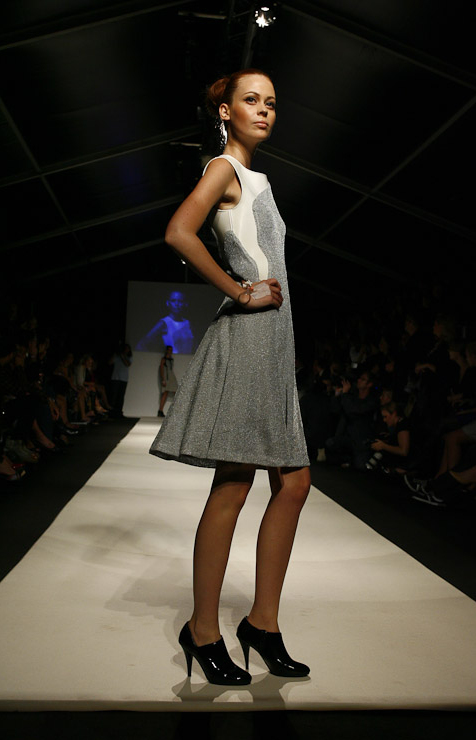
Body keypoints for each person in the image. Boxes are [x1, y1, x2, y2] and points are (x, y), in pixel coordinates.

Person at [150, 69, 311, 685]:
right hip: (249, 335)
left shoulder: (257, 178)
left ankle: (262, 624)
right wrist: (241, 291)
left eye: (271, 102)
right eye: (251, 100)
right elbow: (178, 232)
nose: (264, 110)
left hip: (275, 340)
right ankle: (203, 630)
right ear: (225, 111)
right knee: (236, 484)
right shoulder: (223, 169)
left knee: (293, 484)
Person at [158, 345, 178, 417]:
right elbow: (161, 369)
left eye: (171, 350)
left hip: (171, 377)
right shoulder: (163, 359)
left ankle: (176, 410)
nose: (170, 351)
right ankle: (160, 410)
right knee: (165, 393)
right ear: (166, 350)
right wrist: (163, 379)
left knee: (176, 392)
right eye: (169, 350)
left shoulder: (171, 360)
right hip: (166, 378)